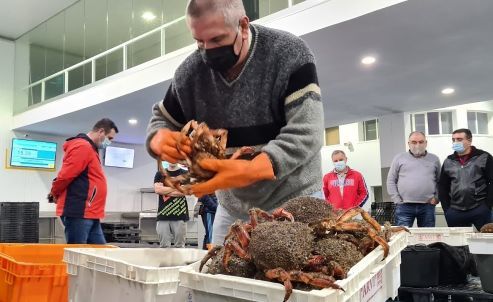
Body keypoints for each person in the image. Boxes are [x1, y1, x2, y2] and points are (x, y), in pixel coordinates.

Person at [146, 0, 324, 245]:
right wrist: (158, 138)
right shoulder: (189, 74)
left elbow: (307, 133)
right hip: (232, 209)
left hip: (296, 199)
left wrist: (249, 170)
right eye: (199, 42)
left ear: (242, 25)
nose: (207, 50)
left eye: (217, 40)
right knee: (218, 279)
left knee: (297, 278)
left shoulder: (289, 53)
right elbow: (162, 118)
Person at [48, 118, 118, 244]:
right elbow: (66, 175)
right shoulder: (82, 146)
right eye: (110, 138)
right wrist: (54, 192)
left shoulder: (90, 149)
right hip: (79, 211)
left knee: (100, 254)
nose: (110, 142)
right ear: (101, 131)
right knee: (78, 253)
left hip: (90, 212)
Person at [438, 128, 493, 230]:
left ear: (469, 141)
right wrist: (447, 208)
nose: (455, 142)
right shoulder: (448, 161)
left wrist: (488, 205)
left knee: (488, 240)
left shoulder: (484, 157)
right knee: (458, 243)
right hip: (455, 210)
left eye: (459, 139)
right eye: (453, 140)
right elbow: (442, 185)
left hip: (480, 207)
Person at [386, 131, 441, 227]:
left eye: (421, 142)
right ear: (408, 144)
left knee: (427, 237)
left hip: (427, 206)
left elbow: (440, 181)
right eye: (414, 142)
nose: (418, 145)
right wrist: (397, 200)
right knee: (402, 237)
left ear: (426, 143)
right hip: (404, 206)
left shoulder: (434, 159)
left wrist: (437, 198)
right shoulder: (399, 158)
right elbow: (391, 180)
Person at [154, 163, 189, 248]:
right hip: (163, 214)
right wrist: (177, 187)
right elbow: (158, 190)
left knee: (179, 246)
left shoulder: (185, 174)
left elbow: (184, 192)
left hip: (180, 215)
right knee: (164, 246)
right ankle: (165, 262)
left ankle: (179, 262)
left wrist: (165, 190)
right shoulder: (160, 174)